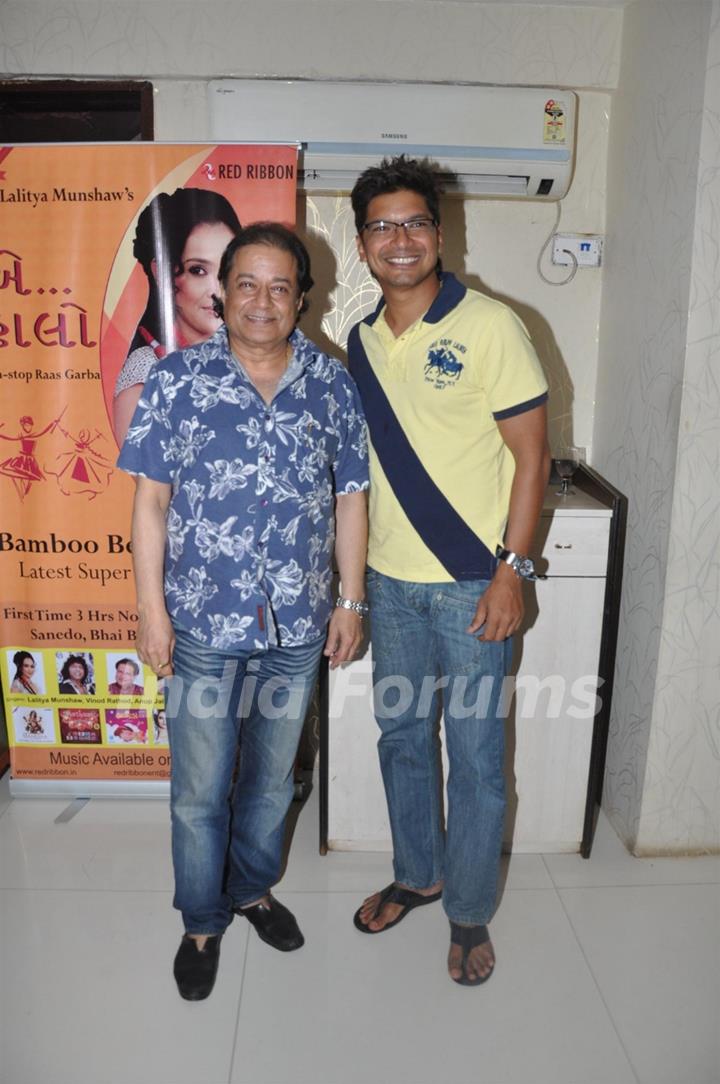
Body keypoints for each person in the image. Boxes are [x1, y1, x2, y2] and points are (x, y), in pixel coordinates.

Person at [118, 222, 369, 1002]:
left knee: (269, 782)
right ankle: (202, 920)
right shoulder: (176, 380)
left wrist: (350, 599)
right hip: (199, 625)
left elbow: (351, 497)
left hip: (296, 625)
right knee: (200, 788)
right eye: (247, 284)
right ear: (221, 292)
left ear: (302, 298)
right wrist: (151, 612)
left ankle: (253, 890)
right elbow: (150, 504)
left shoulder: (332, 384)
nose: (263, 301)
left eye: (281, 286)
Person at [347, 157, 550, 987]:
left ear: (441, 232)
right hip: (389, 586)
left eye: (415, 223)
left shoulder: (493, 326)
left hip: (473, 585)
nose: (401, 240)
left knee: (472, 755)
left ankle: (468, 911)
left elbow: (531, 461)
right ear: (361, 244)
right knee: (401, 738)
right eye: (382, 226)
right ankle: (418, 872)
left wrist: (513, 570)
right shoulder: (358, 341)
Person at [113, 188, 242, 445]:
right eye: (198, 270)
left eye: (228, 268)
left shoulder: (249, 357)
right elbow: (151, 483)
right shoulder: (145, 374)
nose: (218, 289)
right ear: (162, 273)